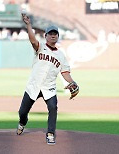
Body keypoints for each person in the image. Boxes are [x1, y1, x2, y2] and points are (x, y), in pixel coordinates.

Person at [16, 13, 79, 145]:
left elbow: (65, 72)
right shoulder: (40, 48)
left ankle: (50, 133)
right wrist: (28, 25)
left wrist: (72, 82)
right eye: (50, 33)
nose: (53, 35)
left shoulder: (61, 56)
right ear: (45, 36)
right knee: (22, 112)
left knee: (53, 107)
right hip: (34, 85)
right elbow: (33, 40)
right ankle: (22, 123)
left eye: (55, 33)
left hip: (49, 87)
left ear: (58, 36)